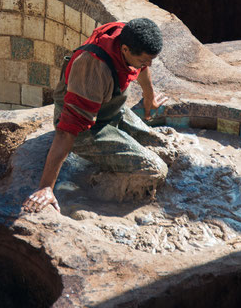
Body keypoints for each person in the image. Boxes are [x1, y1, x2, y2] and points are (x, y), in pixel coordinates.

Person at [23, 18, 169, 213]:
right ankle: (94, 191)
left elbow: (142, 66)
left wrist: (149, 97)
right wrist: (46, 187)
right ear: (125, 50)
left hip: (107, 108)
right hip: (84, 128)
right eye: (144, 60)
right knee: (155, 170)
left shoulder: (127, 34)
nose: (148, 65)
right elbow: (67, 131)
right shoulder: (93, 70)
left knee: (158, 143)